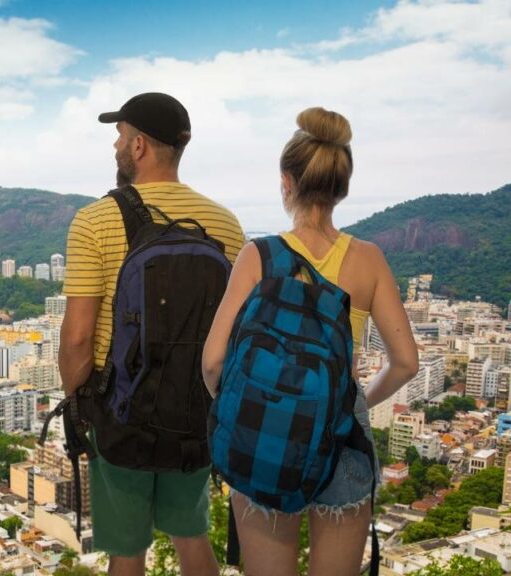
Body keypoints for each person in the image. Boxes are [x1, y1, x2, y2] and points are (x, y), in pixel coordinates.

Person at [201, 107, 419, 576]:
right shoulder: (369, 260)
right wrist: (355, 398)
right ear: (341, 189)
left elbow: (213, 361)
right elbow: (405, 363)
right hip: (343, 432)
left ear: (287, 182)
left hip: (263, 425)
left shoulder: (258, 255)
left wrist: (247, 404)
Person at [60, 92, 245, 576]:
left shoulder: (96, 220)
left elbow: (78, 336)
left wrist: (76, 402)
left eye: (120, 136)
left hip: (119, 409)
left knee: (127, 551)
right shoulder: (226, 224)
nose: (116, 147)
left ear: (139, 145)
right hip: (194, 409)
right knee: (192, 536)